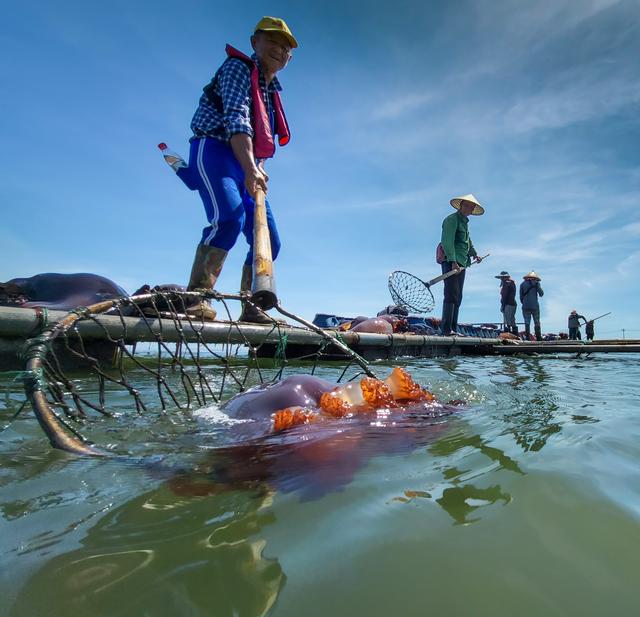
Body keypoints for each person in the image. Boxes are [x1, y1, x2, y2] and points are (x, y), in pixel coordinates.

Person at [176, 17, 297, 322]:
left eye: (286, 48)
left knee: (270, 240)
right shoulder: (238, 69)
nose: (279, 50)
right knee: (229, 218)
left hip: (246, 162)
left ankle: (251, 307)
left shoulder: (272, 91)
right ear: (255, 42)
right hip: (215, 148)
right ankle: (196, 298)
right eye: (272, 42)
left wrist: (257, 166)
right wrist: (249, 166)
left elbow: (262, 136)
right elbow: (237, 118)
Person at [439, 194, 484, 335]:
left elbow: (467, 242)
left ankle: (453, 327)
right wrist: (452, 261)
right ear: (461, 205)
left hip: (462, 263)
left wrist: (474, 254)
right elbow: (447, 241)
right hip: (451, 262)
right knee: (451, 293)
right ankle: (446, 329)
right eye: (467, 206)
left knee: (458, 295)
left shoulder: (464, 223)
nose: (469, 209)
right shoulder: (451, 220)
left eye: (471, 207)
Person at [519, 271, 544, 341]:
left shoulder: (522, 284)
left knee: (527, 322)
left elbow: (521, 296)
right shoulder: (537, 283)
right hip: (535, 306)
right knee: (536, 321)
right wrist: (538, 286)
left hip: (525, 306)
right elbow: (541, 294)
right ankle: (538, 338)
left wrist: (524, 302)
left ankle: (527, 338)